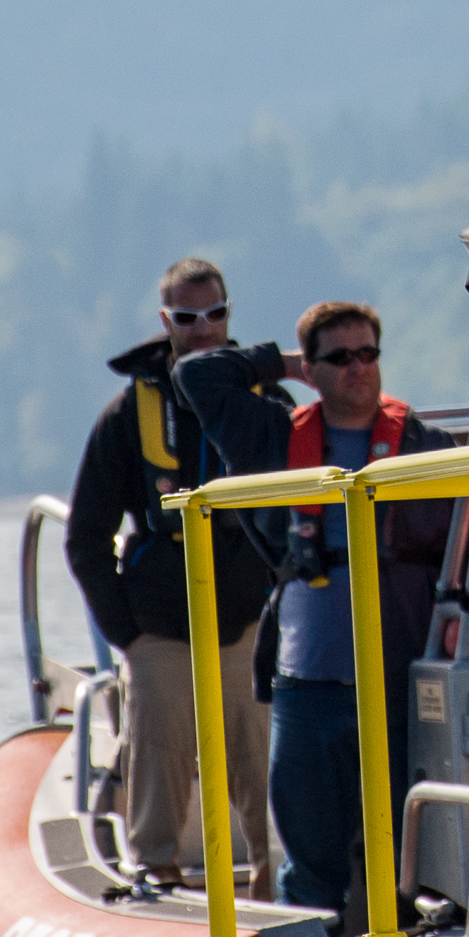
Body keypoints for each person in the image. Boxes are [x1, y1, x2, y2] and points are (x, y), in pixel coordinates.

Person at [61, 257, 301, 891]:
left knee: (264, 760)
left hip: (251, 620)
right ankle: (156, 870)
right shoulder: (126, 414)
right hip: (161, 627)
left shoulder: (268, 401)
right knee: (159, 749)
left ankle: (273, 878)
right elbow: (85, 535)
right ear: (166, 321)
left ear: (230, 315)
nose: (204, 329)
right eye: (188, 317)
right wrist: (127, 634)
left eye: (216, 314)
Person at [258, 297, 462, 934]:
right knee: (309, 867)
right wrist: (282, 361)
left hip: (394, 690)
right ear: (310, 369)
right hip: (306, 687)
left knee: (402, 862)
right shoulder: (276, 440)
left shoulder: (423, 444)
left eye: (368, 354)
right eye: (339, 357)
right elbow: (199, 380)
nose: (358, 368)